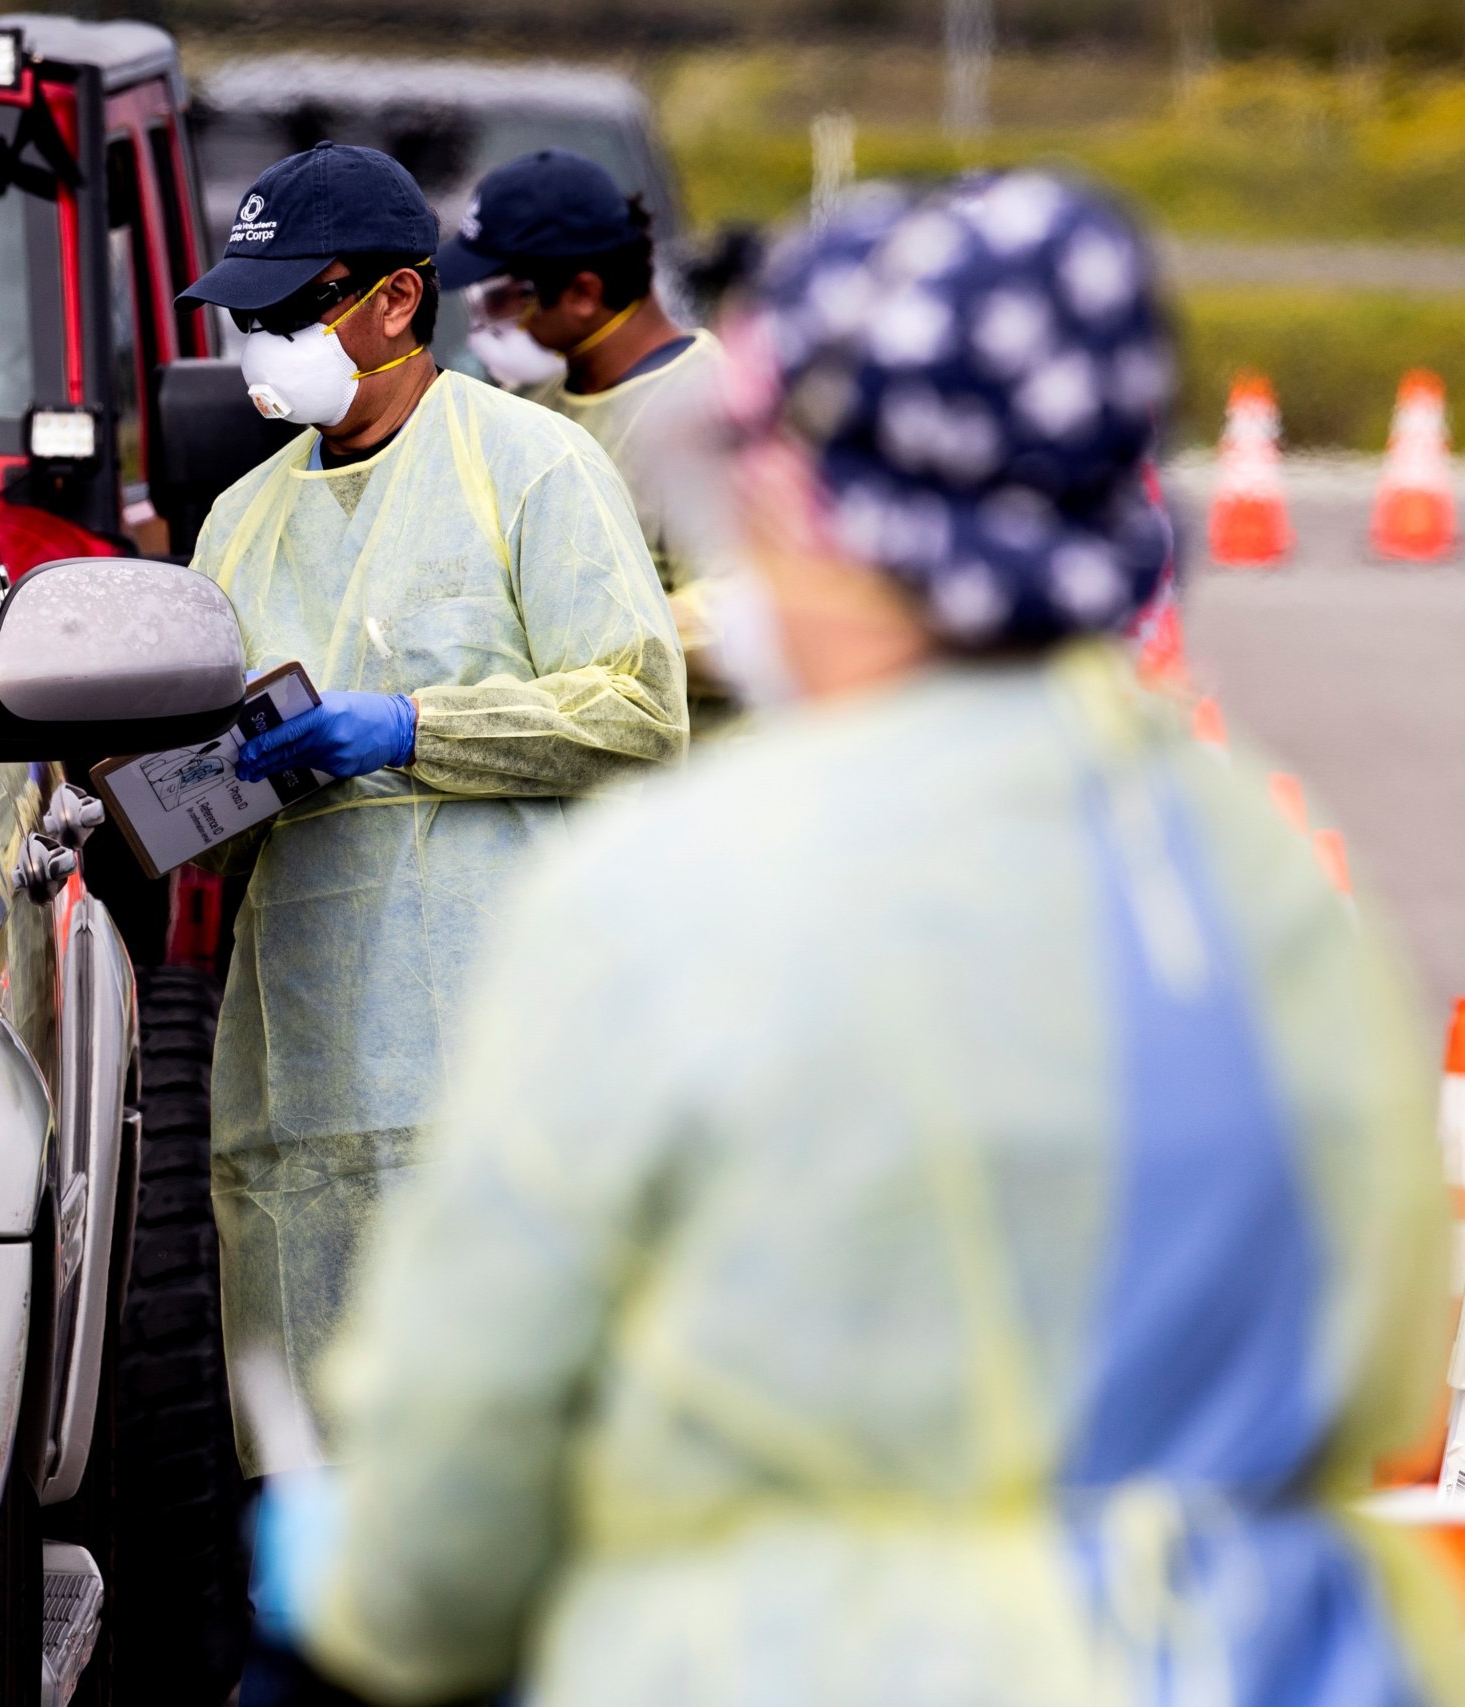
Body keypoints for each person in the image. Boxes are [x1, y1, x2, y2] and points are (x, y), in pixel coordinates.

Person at [263, 172, 1465, 1706]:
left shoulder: (670, 895)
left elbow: (450, 1504)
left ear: (819, 506)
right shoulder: (1274, 873)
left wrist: (354, 1574)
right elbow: (1374, 1372)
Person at [176, 135, 684, 1502]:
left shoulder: (531, 469)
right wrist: (187, 789)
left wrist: (412, 726)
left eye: (290, 309)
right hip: (309, 1077)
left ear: (396, 302)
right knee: (320, 1467)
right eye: (247, 313)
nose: (260, 342)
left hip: (501, 1070)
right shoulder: (236, 524)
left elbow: (640, 707)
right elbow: (199, 817)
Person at [439, 150, 732, 714]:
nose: (485, 322)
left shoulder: (706, 411)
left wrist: (575, 638)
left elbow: (740, 612)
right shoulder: (543, 400)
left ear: (582, 293)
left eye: (501, 298)